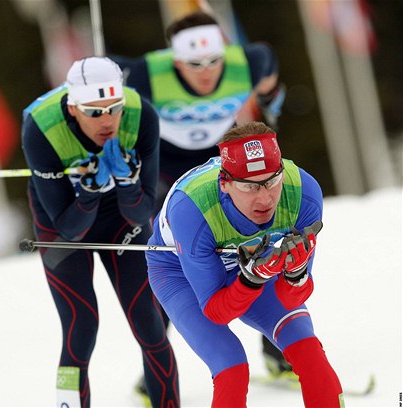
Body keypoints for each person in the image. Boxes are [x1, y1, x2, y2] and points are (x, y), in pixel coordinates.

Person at [112, 10, 290, 391]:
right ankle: (155, 373)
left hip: (220, 160)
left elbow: (269, 64)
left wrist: (270, 96)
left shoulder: (249, 62)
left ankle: (279, 353)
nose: (206, 71)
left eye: (214, 61)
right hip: (164, 169)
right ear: (176, 61)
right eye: (194, 64)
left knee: (263, 243)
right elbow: (93, 79)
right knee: (171, 262)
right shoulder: (146, 73)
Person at [146, 121, 343, 407]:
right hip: (179, 271)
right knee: (232, 367)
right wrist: (251, 280)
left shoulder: (303, 192)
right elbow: (216, 311)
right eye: (249, 187)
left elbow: (293, 297)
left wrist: (297, 274)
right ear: (225, 184)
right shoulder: (192, 209)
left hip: (248, 263)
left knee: (309, 352)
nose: (264, 198)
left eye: (272, 181)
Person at [21, 56, 179, 407]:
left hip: (119, 215)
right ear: (73, 108)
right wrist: (90, 191)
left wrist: (125, 182)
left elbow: (141, 211)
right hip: (61, 217)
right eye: (94, 112)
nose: (107, 120)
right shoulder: (41, 127)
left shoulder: (141, 115)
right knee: (80, 328)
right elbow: (69, 227)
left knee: (150, 323)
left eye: (114, 108)